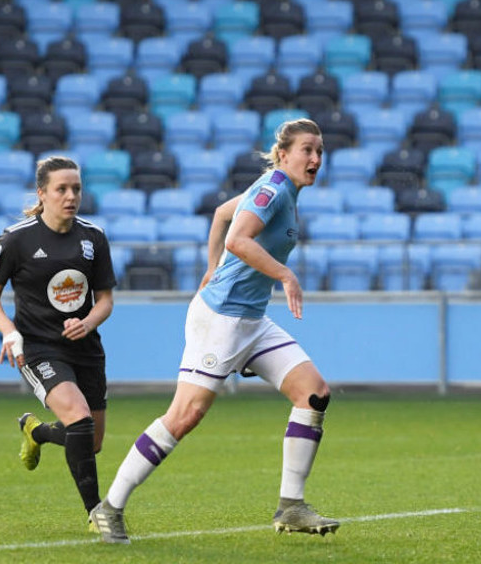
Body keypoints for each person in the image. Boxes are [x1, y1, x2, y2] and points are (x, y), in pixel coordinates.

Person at [90, 119, 338, 543]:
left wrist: (210, 268)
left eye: (319, 151)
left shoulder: (281, 190)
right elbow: (238, 239)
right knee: (184, 416)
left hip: (252, 320)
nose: (315, 159)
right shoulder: (273, 190)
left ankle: (291, 506)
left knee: (313, 392)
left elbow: (224, 214)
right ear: (283, 154)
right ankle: (108, 507)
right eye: (306, 150)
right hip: (221, 319)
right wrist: (284, 275)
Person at [0, 155, 116, 526]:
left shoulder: (94, 238)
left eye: (76, 188)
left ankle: (35, 430)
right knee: (79, 418)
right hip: (40, 348)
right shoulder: (16, 239)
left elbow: (105, 300)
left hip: (86, 348)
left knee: (93, 441)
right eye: (62, 189)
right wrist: (10, 332)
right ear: (43, 193)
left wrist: (87, 323)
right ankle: (97, 513)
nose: (71, 196)